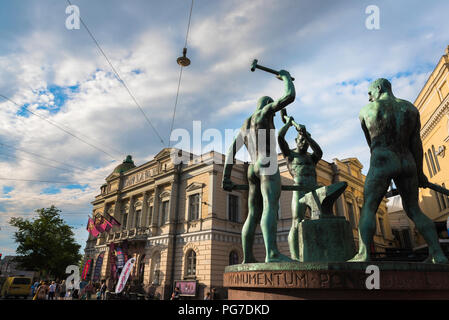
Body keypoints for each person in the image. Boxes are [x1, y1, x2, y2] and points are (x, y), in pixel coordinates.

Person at [349, 78, 448, 264]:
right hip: (407, 161)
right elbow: (416, 144)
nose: (369, 97)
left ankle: (363, 254)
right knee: (414, 210)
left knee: (369, 207)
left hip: (382, 159)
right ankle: (438, 254)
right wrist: (420, 172)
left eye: (370, 92)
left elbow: (371, 143)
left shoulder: (365, 111)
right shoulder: (410, 109)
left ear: (378, 88)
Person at [222, 69, 295, 263]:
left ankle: (248, 258)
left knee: (253, 213)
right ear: (267, 105)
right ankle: (272, 253)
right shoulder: (265, 113)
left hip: (252, 168)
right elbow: (289, 96)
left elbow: (231, 152)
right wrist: (286, 77)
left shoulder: (244, 126)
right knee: (270, 206)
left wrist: (226, 177)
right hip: (267, 163)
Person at [278, 116, 323, 260]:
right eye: (301, 139)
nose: (304, 143)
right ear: (296, 141)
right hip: (299, 189)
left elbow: (319, 152)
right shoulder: (290, 155)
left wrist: (307, 136)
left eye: (306, 141)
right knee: (296, 221)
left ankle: (318, 252)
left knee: (319, 220)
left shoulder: (311, 158)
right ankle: (295, 256)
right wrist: (289, 124)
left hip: (314, 190)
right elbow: (279, 137)